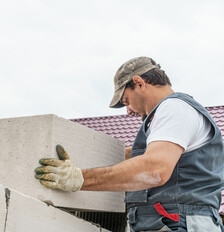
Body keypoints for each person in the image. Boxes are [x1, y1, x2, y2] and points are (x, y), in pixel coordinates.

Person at [34, 56, 224, 231]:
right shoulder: (170, 118)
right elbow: (144, 156)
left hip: (182, 223)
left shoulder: (174, 109)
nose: (128, 111)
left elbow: (154, 169)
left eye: (126, 101)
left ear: (139, 83)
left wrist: (79, 178)